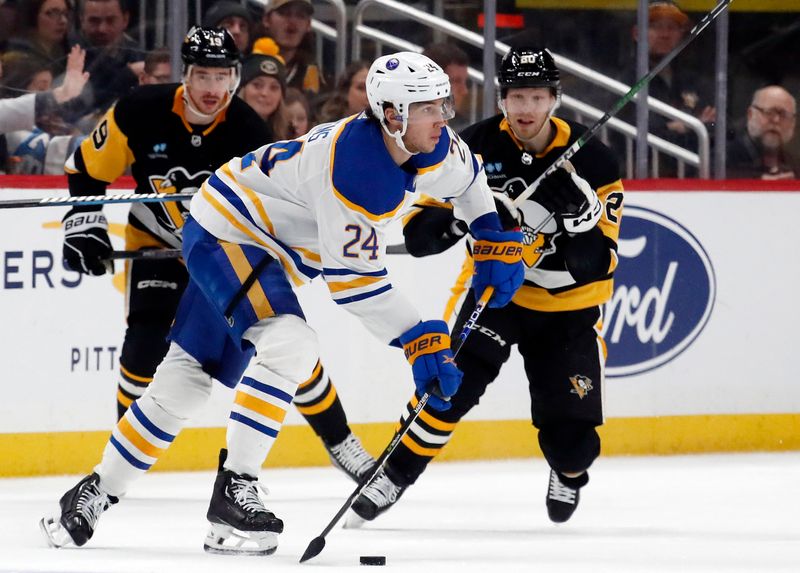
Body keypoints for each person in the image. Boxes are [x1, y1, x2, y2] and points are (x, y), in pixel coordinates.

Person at [40, 50, 524, 556]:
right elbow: (353, 282)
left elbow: (469, 183)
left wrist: (491, 235)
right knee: (291, 342)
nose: (442, 118)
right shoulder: (358, 169)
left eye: (442, 105)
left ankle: (92, 491)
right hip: (229, 230)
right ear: (392, 115)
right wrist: (418, 339)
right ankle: (235, 489)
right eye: (428, 108)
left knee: (186, 379)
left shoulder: (435, 144)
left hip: (263, 247)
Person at [53, 25, 373, 483]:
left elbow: (273, 209)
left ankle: (342, 441)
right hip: (159, 244)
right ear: (186, 74)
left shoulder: (249, 131)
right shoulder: (139, 110)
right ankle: (119, 459)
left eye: (222, 77)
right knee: (143, 345)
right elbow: (84, 170)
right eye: (202, 75)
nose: (211, 88)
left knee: (281, 339)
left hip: (224, 252)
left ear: (234, 78)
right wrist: (83, 227)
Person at [348, 47, 624, 527]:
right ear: (501, 99)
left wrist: (582, 222)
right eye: (517, 96)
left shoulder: (594, 160)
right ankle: (392, 474)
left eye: (537, 97)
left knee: (574, 444)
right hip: (495, 293)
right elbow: (419, 235)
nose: (526, 109)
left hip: (569, 308)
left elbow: (596, 266)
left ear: (555, 99)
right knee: (448, 386)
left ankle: (568, 469)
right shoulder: (469, 146)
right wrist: (461, 218)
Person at [626, 0, 715, 174]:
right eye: (655, 26)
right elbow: (629, 136)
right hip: (641, 178)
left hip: (696, 180)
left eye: (673, 27)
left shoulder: (694, 81)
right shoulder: (625, 81)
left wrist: (680, 128)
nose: (665, 34)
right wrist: (692, 128)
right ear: (637, 33)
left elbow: (723, 129)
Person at [76, 0, 144, 115]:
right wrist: (127, 74)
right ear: (82, 20)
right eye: (94, 21)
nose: (102, 29)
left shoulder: (139, 55)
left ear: (125, 20)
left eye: (110, 20)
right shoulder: (71, 57)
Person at [727, 85, 799, 179]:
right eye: (769, 112)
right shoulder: (724, 157)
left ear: (793, 123)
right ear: (750, 115)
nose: (776, 120)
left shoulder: (793, 165)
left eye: (783, 115)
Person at [256, 0, 323, 95]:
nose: (292, 22)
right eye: (284, 13)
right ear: (266, 20)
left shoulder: (310, 69)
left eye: (300, 16)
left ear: (308, 25)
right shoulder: (247, 63)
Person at [2, 0, 75, 76]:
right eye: (52, 13)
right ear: (32, 17)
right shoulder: (17, 59)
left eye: (65, 14)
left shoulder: (62, 53)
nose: (63, 21)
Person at [237, 49, 290, 140]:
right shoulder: (220, 132)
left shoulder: (292, 138)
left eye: (274, 88)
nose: (264, 93)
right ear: (242, 89)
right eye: (257, 85)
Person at [422, 42, 471, 130]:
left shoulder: (464, 127)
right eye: (456, 81)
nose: (464, 91)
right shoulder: (404, 130)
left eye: (465, 81)